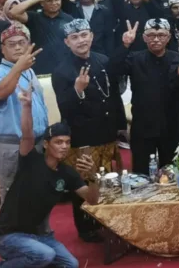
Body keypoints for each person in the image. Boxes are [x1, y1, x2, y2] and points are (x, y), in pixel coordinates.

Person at [0, 90, 99, 268]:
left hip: (38, 236)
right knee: (45, 255)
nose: (64, 146)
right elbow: (27, 134)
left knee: (70, 265)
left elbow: (92, 200)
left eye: (67, 142)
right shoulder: (30, 159)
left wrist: (93, 176)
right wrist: (27, 106)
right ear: (46, 144)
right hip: (6, 235)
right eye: (58, 142)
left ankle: (31, 257)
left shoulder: (67, 173)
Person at [52, 19, 126, 242]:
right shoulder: (61, 71)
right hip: (83, 137)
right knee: (84, 181)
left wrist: (120, 126)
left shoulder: (103, 60)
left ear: (92, 36)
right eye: (75, 37)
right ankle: (86, 228)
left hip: (106, 133)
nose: (81, 40)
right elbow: (64, 109)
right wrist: (77, 90)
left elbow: (114, 96)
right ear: (67, 42)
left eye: (84, 35)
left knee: (107, 179)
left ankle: (107, 220)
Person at [0, 24, 49, 204]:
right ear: (2, 49)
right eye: (12, 44)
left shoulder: (30, 70)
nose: (18, 48)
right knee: (13, 201)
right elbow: (1, 93)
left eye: (22, 43)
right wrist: (18, 68)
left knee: (39, 197)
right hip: (12, 146)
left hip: (38, 144)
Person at [110, 18, 179, 174]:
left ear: (168, 37)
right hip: (143, 125)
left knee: (171, 171)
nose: (156, 39)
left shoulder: (177, 58)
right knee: (141, 172)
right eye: (151, 35)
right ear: (144, 37)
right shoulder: (135, 58)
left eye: (161, 35)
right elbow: (113, 69)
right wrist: (125, 45)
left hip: (171, 125)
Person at [7, 0, 73, 75]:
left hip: (64, 70)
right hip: (40, 70)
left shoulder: (69, 19)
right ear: (42, 3)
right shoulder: (34, 17)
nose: (54, 3)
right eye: (49, 0)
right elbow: (13, 12)